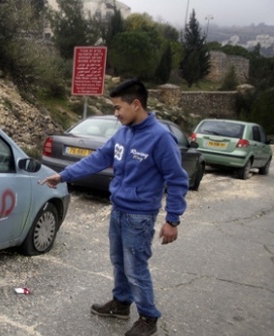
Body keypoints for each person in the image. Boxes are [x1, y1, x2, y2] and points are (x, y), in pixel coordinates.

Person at [39, 79, 189, 336]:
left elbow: (178, 180)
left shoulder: (161, 138)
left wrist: (172, 220)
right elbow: (98, 158)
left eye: (119, 108)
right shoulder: (123, 133)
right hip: (118, 210)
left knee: (135, 267)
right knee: (119, 262)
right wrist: (63, 175)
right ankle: (120, 303)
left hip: (140, 216)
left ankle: (148, 317)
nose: (116, 113)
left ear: (136, 104)